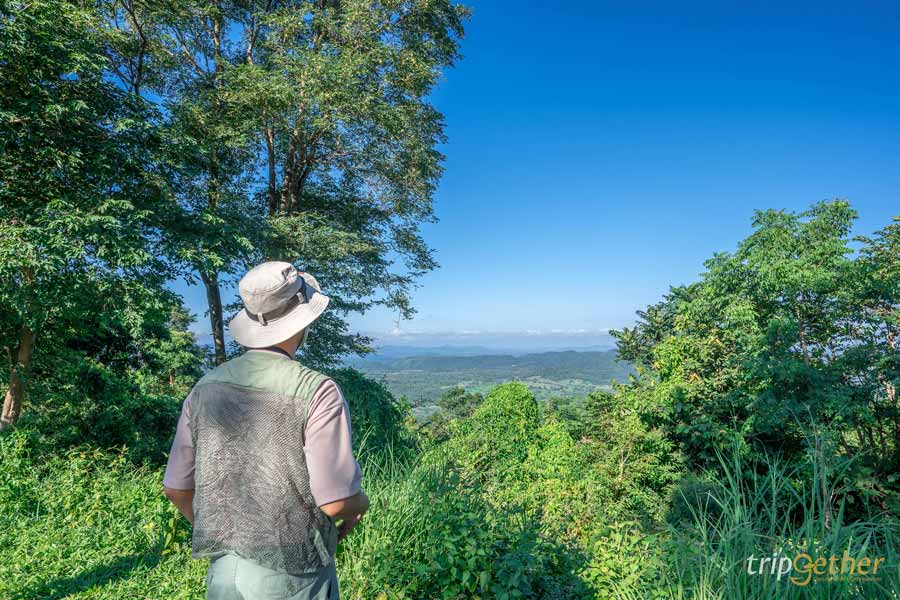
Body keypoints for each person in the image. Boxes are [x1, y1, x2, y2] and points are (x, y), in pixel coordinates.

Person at [162, 262, 369, 600]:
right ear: (303, 321)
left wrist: (227, 534)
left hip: (224, 574)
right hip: (296, 577)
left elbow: (175, 488)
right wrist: (361, 503)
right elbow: (336, 501)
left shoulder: (204, 388)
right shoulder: (317, 390)